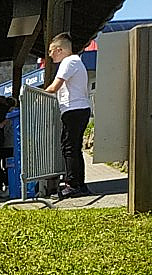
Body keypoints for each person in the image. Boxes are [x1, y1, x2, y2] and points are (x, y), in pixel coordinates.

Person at [44, 32, 91, 198]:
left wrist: (36, 97)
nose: (50, 55)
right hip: (79, 109)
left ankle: (72, 185)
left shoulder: (68, 61)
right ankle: (80, 184)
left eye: (51, 51)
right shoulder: (76, 61)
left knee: (69, 148)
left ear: (59, 50)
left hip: (74, 110)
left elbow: (54, 87)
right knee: (74, 148)